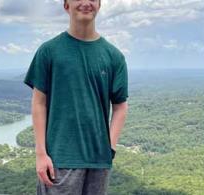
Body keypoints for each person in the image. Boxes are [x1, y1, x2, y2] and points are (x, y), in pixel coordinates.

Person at [23, 0, 129, 194]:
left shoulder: (114, 56)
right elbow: (39, 103)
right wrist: (40, 153)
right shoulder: (49, 51)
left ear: (99, 5)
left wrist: (110, 147)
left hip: (99, 161)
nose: (86, 3)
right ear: (66, 6)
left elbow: (121, 106)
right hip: (59, 158)